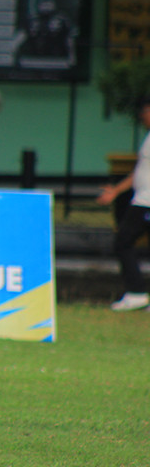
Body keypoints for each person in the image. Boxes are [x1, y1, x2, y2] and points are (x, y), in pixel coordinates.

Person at [96, 96, 150, 311]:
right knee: (123, 242)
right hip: (141, 200)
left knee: (123, 242)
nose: (143, 115)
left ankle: (137, 293)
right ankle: (136, 292)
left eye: (146, 111)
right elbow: (140, 171)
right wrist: (116, 191)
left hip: (147, 203)